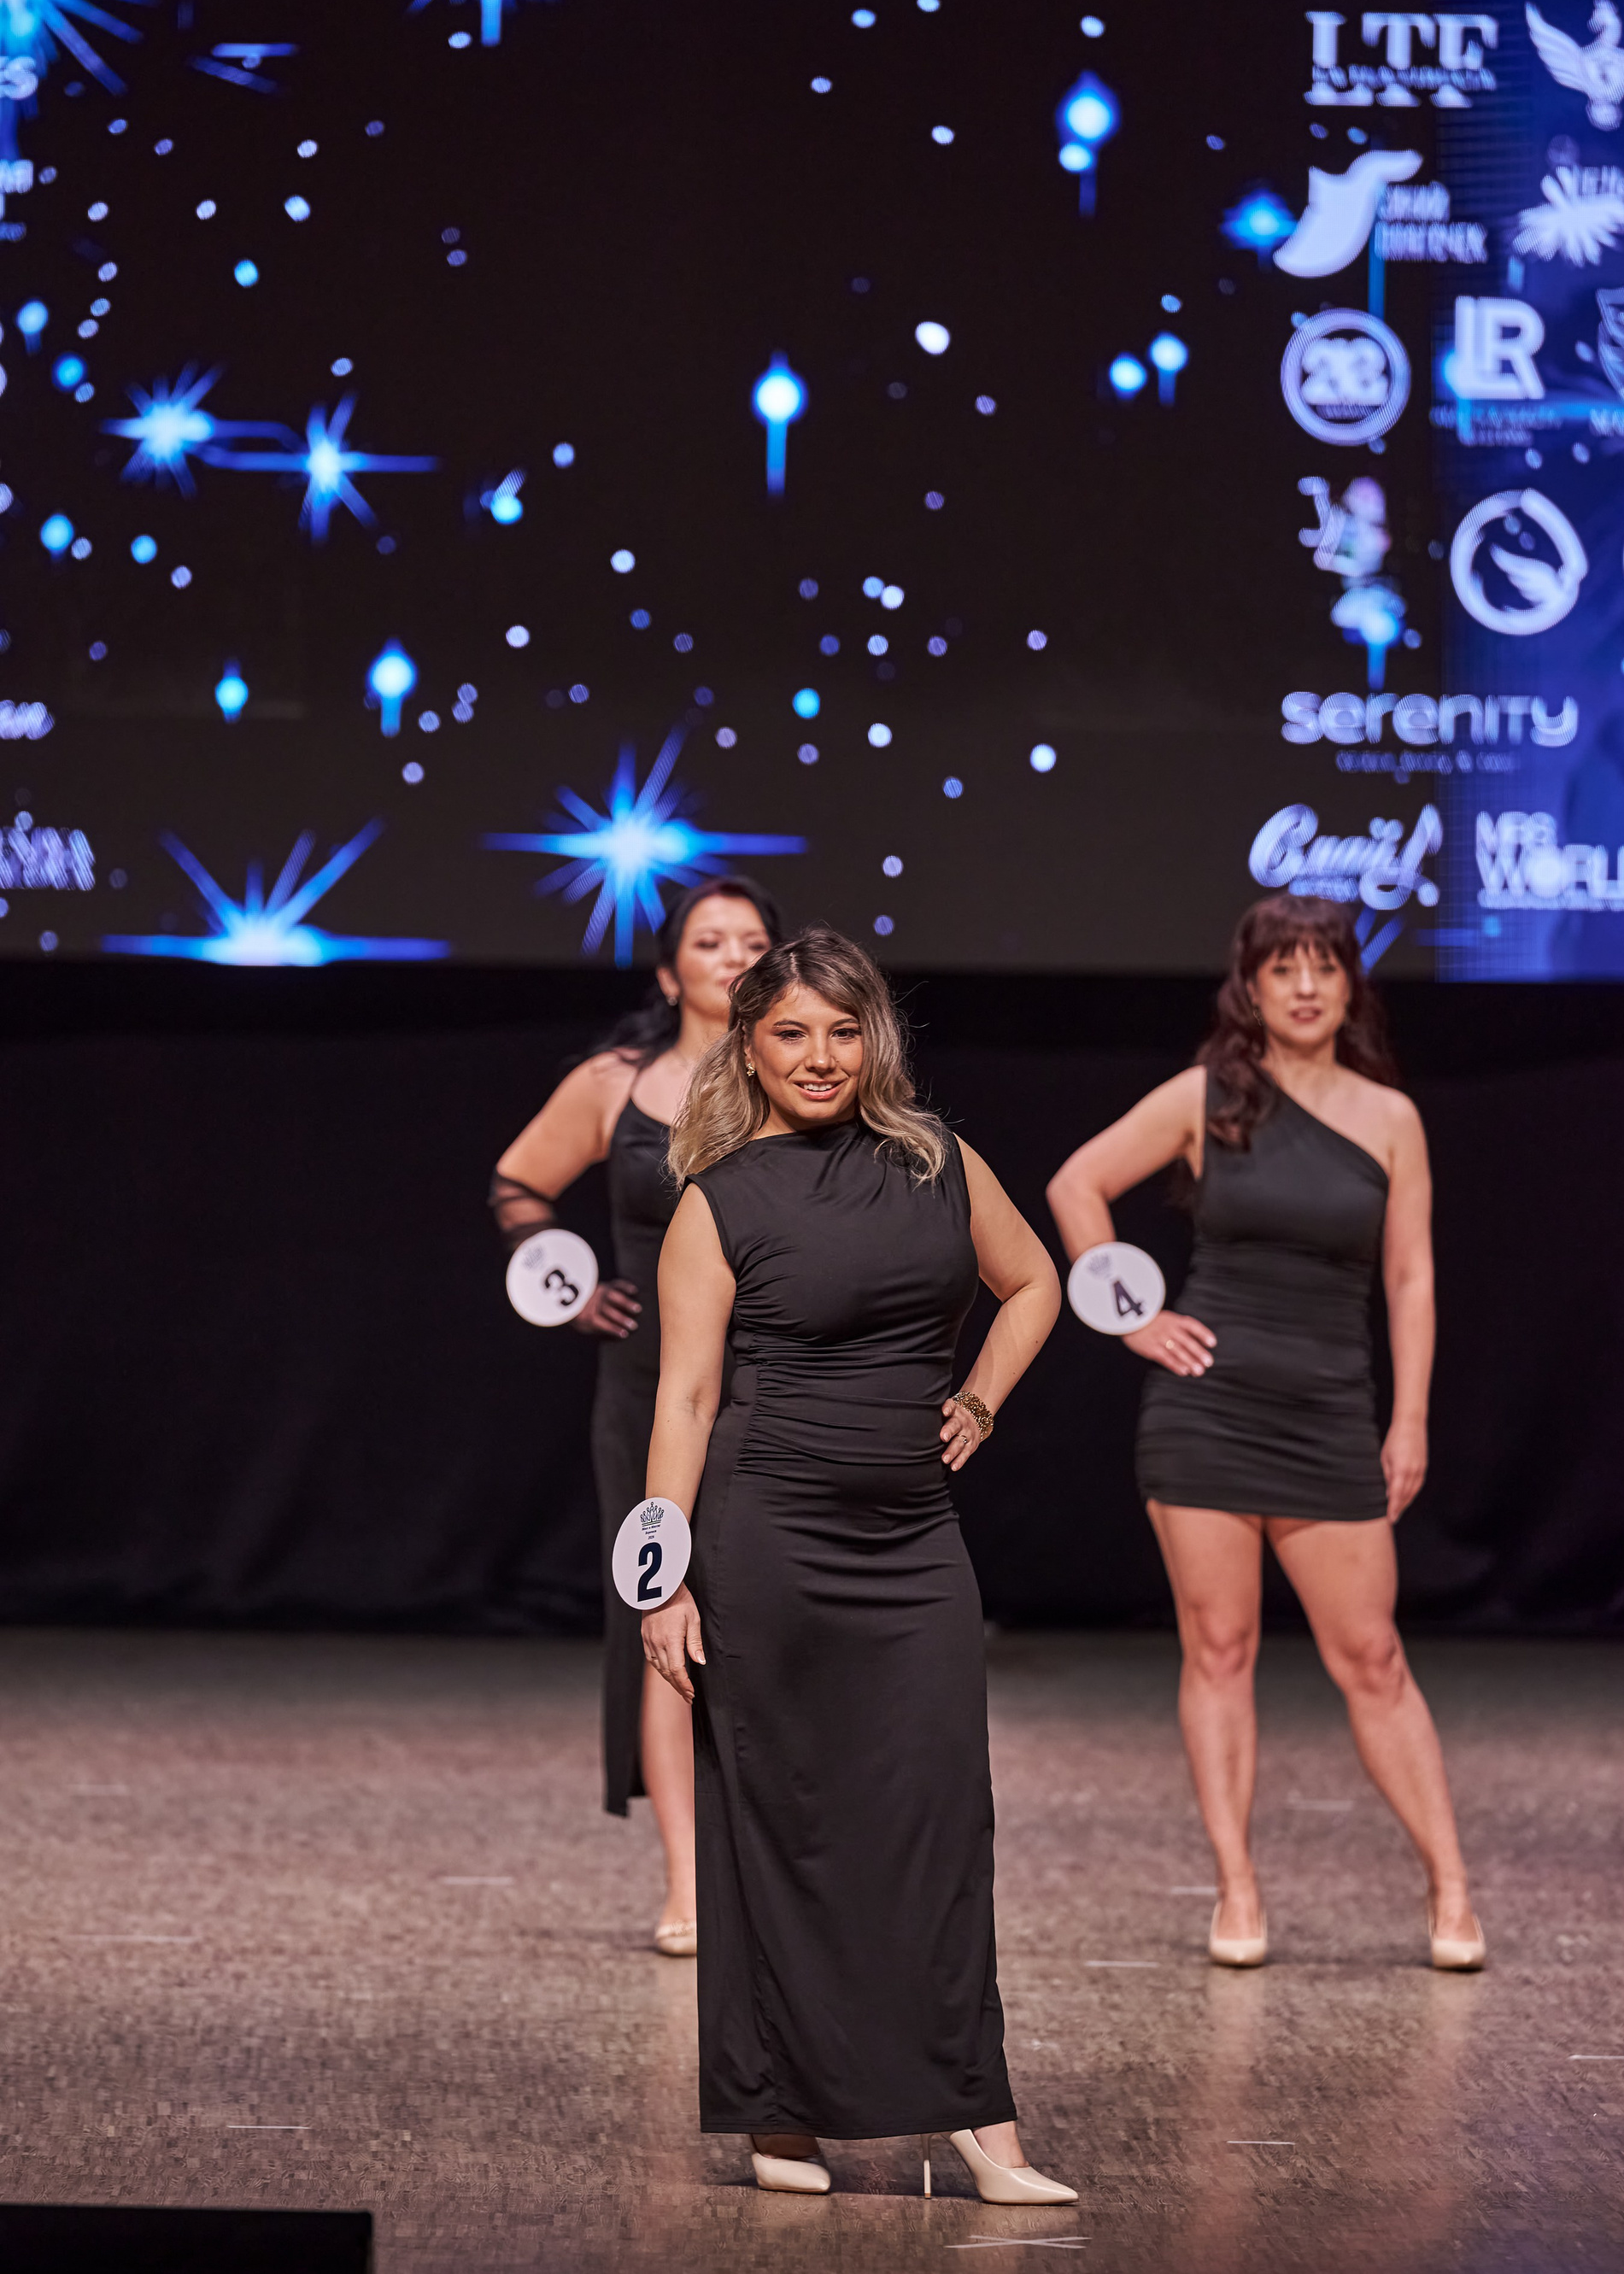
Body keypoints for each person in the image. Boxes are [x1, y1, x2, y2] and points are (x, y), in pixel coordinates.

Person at [639, 927, 1076, 2203]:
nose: (821, 1056)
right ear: (750, 1048)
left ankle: (978, 2116)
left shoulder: (938, 1160)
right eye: (792, 1033)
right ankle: (781, 2110)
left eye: (844, 1031)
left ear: (873, 1038)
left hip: (913, 1541)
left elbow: (1034, 1282)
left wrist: (980, 1399)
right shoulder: (719, 1199)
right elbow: (685, 1397)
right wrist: (663, 1578)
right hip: (765, 1536)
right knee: (784, 1820)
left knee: (942, 1817)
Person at [1047, 896, 1484, 1974]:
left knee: (1372, 1655)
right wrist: (1131, 1314)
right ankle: (1237, 1887)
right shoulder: (1209, 1094)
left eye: (1323, 966)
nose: (1304, 986)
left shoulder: (1390, 1117)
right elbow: (1076, 1183)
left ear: (1349, 984)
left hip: (1331, 1410)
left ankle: (1451, 1885)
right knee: (1220, 1647)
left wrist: (1410, 1415)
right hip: (1206, 1408)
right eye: (1282, 967)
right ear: (1250, 985)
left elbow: (1412, 1275)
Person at [490, 878, 783, 1958]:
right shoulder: (615, 1080)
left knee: (771, 1617)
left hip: (773, 1383)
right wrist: (567, 1286)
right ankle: (687, 1879)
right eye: (710, 941)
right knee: (663, 1612)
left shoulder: (795, 1071)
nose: (733, 956)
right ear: (669, 971)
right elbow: (518, 1182)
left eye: (753, 941)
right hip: (648, 1389)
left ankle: (781, 1876)